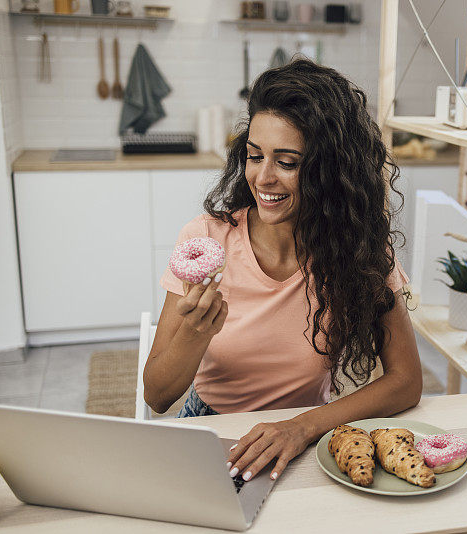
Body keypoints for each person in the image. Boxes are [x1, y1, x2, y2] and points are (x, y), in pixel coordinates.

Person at [143, 59, 422, 484]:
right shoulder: (206, 239)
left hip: (306, 435)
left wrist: (305, 426)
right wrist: (195, 333)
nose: (263, 178)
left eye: (287, 162)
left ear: (332, 172)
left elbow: (406, 381)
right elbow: (157, 395)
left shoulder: (360, 252)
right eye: (254, 156)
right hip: (211, 427)